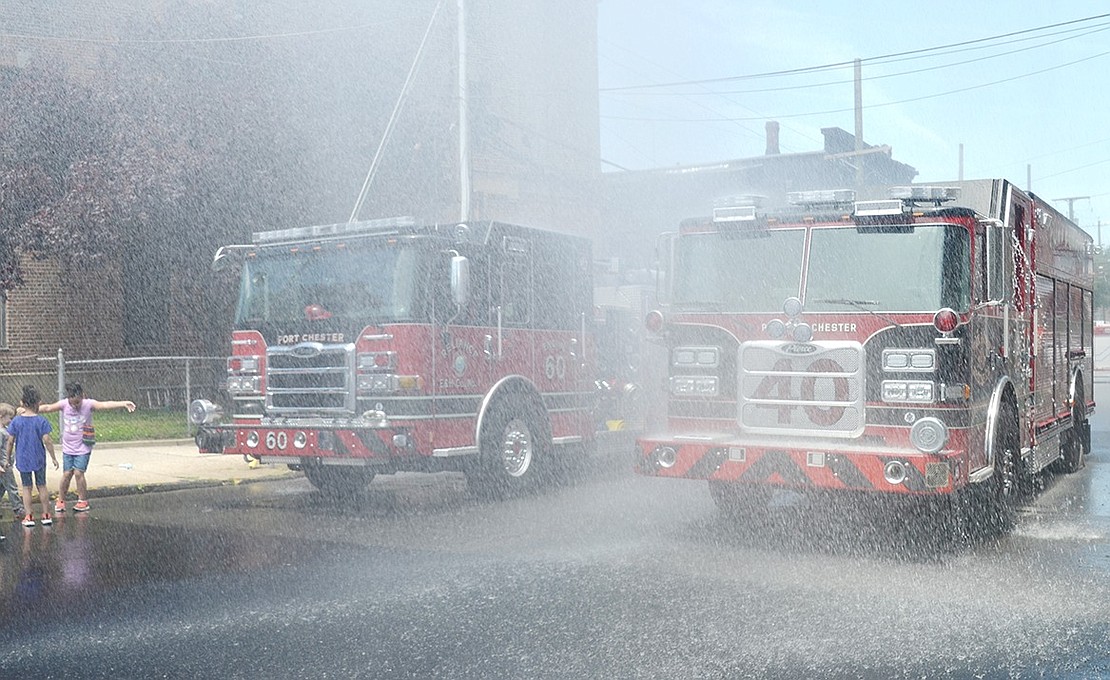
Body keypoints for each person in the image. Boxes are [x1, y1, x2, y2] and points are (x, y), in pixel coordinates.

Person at [40, 382, 136, 514]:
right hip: (68, 447)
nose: (75, 405)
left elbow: (105, 404)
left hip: (83, 446)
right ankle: (61, 499)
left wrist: (123, 403)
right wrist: (28, 410)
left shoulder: (88, 404)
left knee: (79, 473)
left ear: (82, 396)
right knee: (67, 474)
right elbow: (47, 408)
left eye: (77, 402)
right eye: (72, 403)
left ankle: (82, 500)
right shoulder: (64, 404)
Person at [6, 385, 58, 528]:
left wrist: (8, 458)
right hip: (38, 458)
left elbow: (10, 441)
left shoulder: (16, 421)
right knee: (42, 486)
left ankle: (29, 516)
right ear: (37, 403)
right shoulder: (41, 421)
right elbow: (47, 440)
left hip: (23, 459)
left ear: (22, 403)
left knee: (27, 487)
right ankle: (46, 514)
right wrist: (53, 457)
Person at [0, 403, 26, 528]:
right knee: (12, 487)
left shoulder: (5, 430)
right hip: (4, 466)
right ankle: (18, 509)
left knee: (2, 488)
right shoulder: (1, 432)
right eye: (9, 418)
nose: (11, 421)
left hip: (6, 465)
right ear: (1, 416)